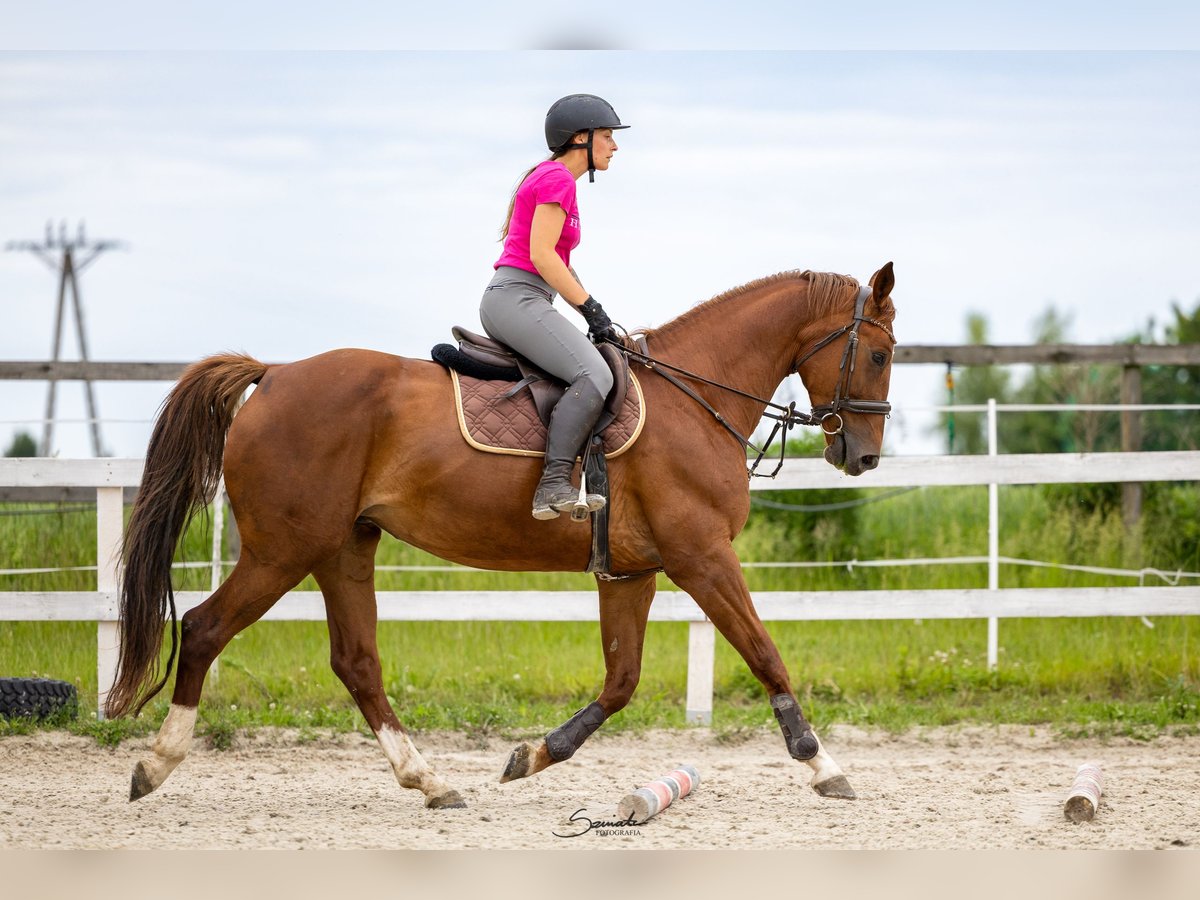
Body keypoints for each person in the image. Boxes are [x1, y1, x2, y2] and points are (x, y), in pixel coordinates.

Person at [480, 94, 629, 521]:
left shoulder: (558, 180)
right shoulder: (558, 179)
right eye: (606, 136)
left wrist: (596, 317)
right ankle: (553, 483)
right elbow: (543, 257)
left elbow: (560, 265)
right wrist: (591, 309)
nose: (614, 146)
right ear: (579, 138)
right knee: (595, 373)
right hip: (516, 296)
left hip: (528, 297)